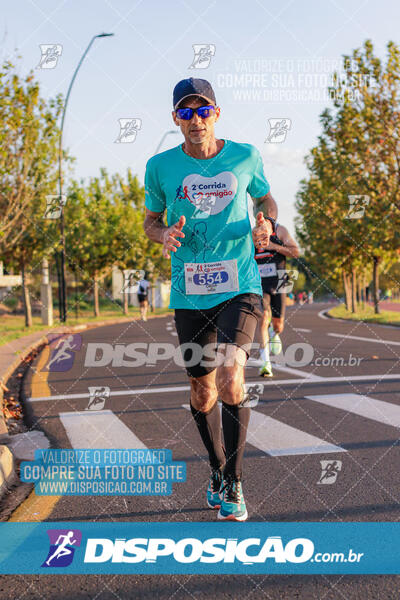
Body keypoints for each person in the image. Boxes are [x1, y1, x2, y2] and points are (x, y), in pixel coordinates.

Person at [144, 77, 278, 521]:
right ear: (175, 119)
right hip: (189, 291)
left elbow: (266, 198)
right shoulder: (160, 166)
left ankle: (235, 484)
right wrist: (162, 233)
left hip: (240, 284)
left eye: (203, 111)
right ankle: (217, 468)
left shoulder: (245, 156)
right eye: (186, 112)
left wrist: (266, 225)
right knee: (202, 393)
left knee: (230, 377)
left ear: (217, 114)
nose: (195, 120)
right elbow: (150, 220)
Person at [255, 224, 299, 377]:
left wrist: (273, 246)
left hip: (279, 281)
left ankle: (274, 333)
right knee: (263, 318)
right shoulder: (250, 231)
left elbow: (295, 252)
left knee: (278, 325)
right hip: (259, 283)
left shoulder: (280, 231)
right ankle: (265, 363)